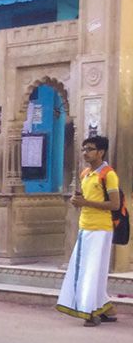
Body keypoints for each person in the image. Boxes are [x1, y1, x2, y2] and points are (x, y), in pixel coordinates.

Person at [56, 135, 121, 327]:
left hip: (101, 229)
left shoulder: (108, 174)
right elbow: (86, 199)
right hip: (86, 226)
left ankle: (89, 311)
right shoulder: (85, 174)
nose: (85, 153)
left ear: (101, 152)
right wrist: (79, 201)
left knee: (91, 271)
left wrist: (86, 203)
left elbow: (115, 204)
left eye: (90, 149)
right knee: (91, 270)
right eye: (84, 149)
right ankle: (104, 307)